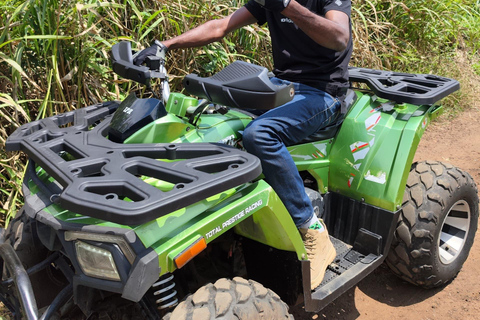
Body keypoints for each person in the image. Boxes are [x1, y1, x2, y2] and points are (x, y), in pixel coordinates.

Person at [133, 0, 353, 290]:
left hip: (322, 92)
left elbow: (339, 37)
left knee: (259, 135)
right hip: (279, 86)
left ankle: (311, 228)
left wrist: (286, 6)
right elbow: (221, 26)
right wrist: (165, 45)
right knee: (208, 120)